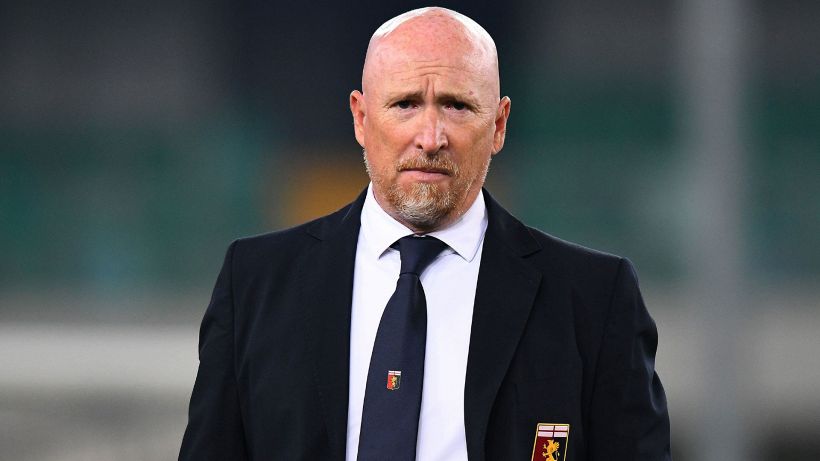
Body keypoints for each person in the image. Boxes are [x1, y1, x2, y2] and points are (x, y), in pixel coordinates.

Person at [179, 7, 671, 461]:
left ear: (499, 125)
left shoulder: (594, 299)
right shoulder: (255, 283)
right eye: (405, 104)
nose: (430, 138)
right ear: (361, 118)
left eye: (457, 106)